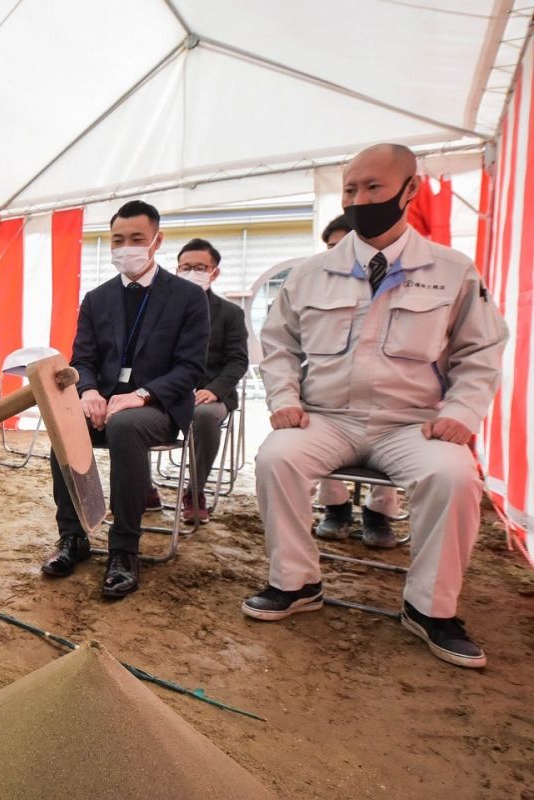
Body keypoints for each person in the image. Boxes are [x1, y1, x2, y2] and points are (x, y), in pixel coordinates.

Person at [245, 143, 507, 669]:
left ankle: (429, 607)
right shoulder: (311, 272)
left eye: (373, 188)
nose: (359, 199)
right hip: (327, 418)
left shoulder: (453, 271)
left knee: (455, 477)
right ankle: (296, 583)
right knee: (277, 457)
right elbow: (278, 344)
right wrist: (284, 398)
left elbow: (481, 350)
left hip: (412, 425)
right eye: (350, 189)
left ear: (410, 190)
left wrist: (462, 412)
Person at [40, 200, 209, 598]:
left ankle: (124, 548)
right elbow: (83, 357)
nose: (126, 247)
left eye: (136, 238)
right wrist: (90, 391)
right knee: (65, 424)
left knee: (125, 425)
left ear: (156, 241)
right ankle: (73, 537)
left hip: (157, 407)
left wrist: (143, 395)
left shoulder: (187, 297)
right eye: (118, 239)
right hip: (106, 402)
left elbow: (190, 368)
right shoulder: (97, 299)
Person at [314, 214, 403, 546]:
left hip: (389, 403)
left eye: (342, 246)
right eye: (330, 247)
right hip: (332, 401)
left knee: (396, 424)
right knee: (310, 424)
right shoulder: (317, 288)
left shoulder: (397, 285)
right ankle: (335, 508)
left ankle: (378, 515)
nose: (335, 253)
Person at [174, 238, 248, 524]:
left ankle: (194, 491)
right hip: (171, 389)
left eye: (200, 267)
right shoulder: (164, 310)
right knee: (131, 411)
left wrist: (214, 390)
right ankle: (144, 489)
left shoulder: (230, 313)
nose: (192, 273)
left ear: (214, 272)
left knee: (204, 415)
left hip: (211, 393)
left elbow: (238, 360)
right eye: (186, 267)